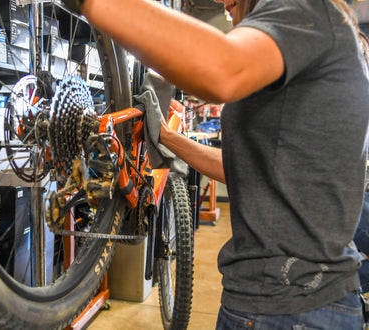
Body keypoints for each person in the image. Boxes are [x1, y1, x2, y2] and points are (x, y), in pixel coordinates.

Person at [66, 0, 369, 328]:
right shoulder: (317, 29)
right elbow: (245, 168)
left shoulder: (305, 8)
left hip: (289, 308)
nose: (224, 2)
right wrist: (166, 137)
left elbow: (223, 67)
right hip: (277, 303)